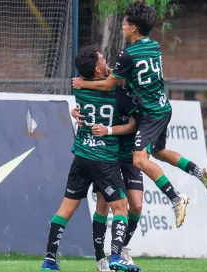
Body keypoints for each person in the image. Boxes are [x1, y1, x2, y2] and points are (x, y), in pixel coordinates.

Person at [72, 1, 207, 229]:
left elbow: (109, 85)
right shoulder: (154, 46)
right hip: (163, 107)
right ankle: (200, 172)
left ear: (132, 28)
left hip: (150, 113)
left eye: (124, 22)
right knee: (159, 152)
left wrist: (83, 84)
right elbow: (127, 75)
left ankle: (175, 198)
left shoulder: (127, 54)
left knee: (139, 159)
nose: (122, 25)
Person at [41, 46, 140, 272]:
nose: (108, 62)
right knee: (121, 207)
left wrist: (76, 111)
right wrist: (109, 130)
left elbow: (84, 102)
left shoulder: (80, 89)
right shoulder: (115, 92)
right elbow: (133, 124)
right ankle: (115, 257)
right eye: (103, 60)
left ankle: (49, 260)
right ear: (97, 69)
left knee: (65, 210)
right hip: (104, 158)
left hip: (81, 156)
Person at [71, 84, 143, 267]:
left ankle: (122, 248)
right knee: (103, 204)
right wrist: (76, 111)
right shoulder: (110, 84)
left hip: (128, 154)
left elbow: (136, 124)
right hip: (105, 155)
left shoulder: (137, 90)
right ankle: (102, 260)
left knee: (136, 205)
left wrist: (108, 130)